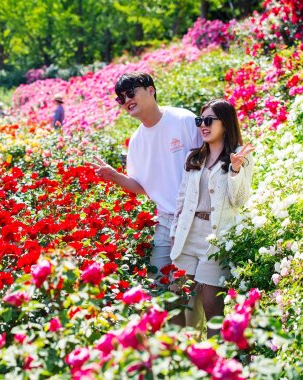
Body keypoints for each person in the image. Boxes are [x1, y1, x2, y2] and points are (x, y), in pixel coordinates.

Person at [88, 72, 203, 275]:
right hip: (166, 219)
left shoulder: (183, 119)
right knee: (159, 284)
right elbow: (143, 186)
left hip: (197, 215)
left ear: (151, 90)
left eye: (131, 93)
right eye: (121, 98)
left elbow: (209, 161)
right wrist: (116, 177)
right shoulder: (136, 141)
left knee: (192, 289)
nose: (127, 101)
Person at [170, 99, 254, 336]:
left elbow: (239, 200)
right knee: (176, 295)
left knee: (210, 303)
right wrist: (175, 231)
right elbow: (182, 198)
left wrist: (235, 170)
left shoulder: (239, 157)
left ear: (225, 124)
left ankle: (218, 357)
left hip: (215, 239)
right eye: (200, 120)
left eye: (209, 120)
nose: (203, 126)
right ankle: (181, 351)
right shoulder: (194, 157)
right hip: (188, 234)